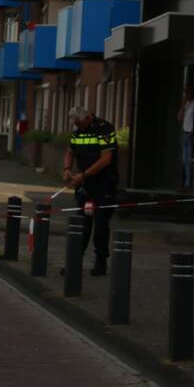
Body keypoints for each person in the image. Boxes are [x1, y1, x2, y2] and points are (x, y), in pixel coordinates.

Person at [63, 106, 118, 276]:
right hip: (85, 186)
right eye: (75, 124)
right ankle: (74, 262)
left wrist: (83, 175)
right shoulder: (78, 132)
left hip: (103, 184)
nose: (78, 127)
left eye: (79, 123)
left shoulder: (104, 129)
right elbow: (70, 151)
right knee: (82, 224)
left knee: (101, 225)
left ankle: (100, 263)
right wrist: (67, 168)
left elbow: (106, 160)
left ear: (87, 118)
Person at [178, 84, 194, 190]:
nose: (185, 95)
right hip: (185, 132)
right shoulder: (187, 104)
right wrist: (183, 105)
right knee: (184, 159)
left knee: (189, 159)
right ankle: (186, 181)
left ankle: (188, 183)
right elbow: (179, 117)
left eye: (187, 92)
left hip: (191, 133)